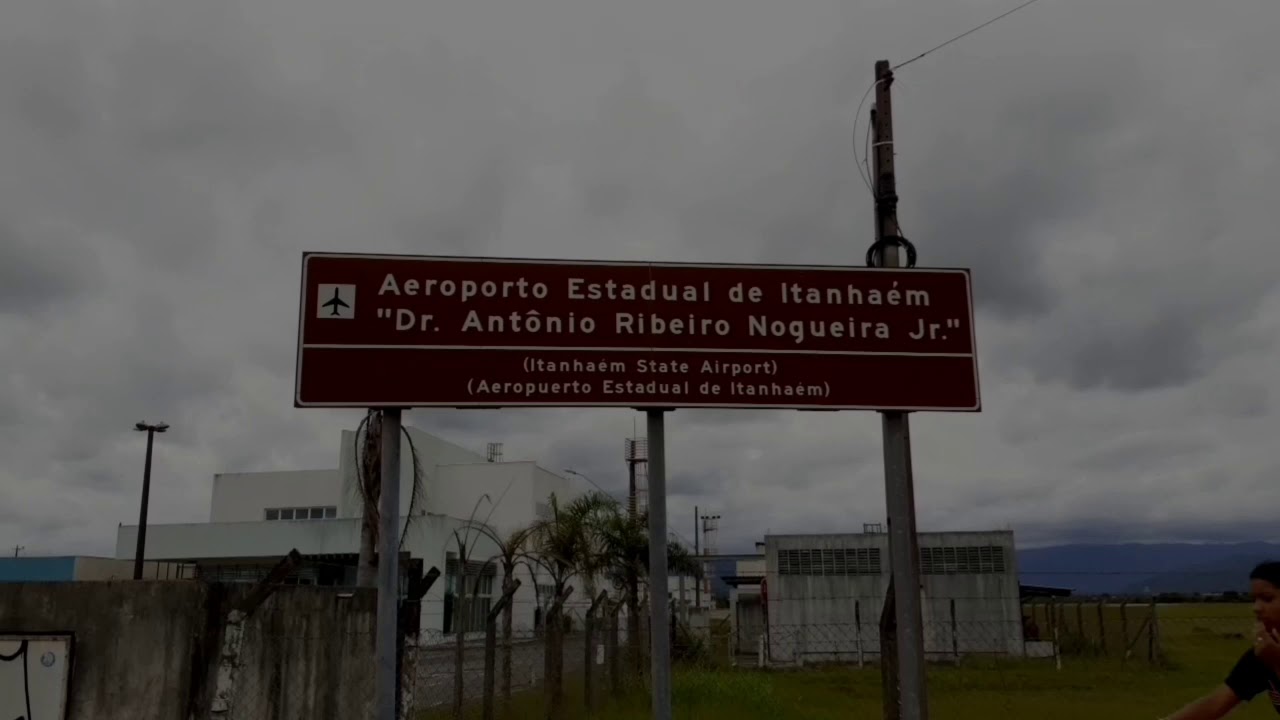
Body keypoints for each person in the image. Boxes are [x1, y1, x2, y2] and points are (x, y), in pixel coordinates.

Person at [1161, 561, 1280, 719]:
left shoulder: (1270, 654)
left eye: (1267, 599)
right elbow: (1214, 705)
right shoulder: (1263, 654)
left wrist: (1277, 663)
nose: (1256, 608)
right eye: (1254, 599)